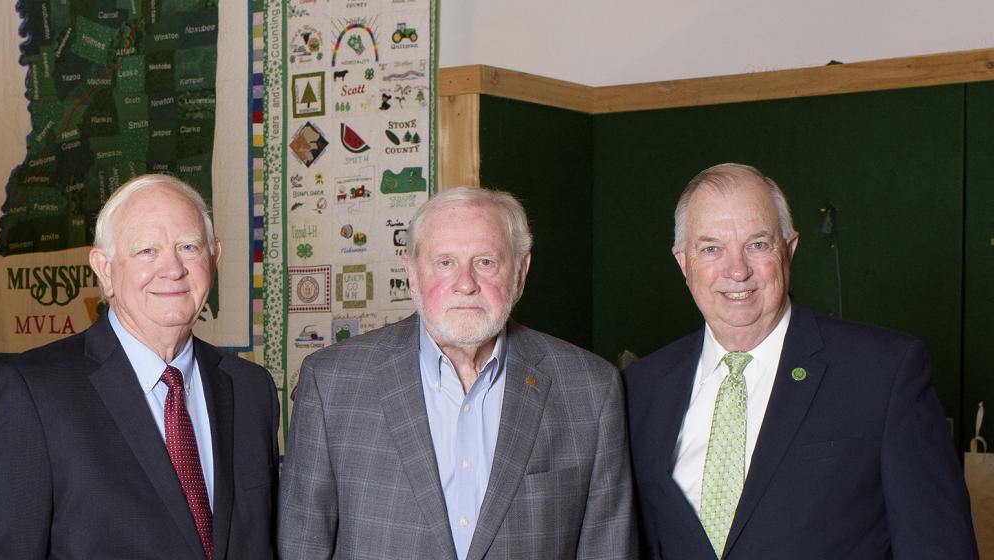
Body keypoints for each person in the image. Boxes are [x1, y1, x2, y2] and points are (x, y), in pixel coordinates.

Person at [624, 163, 978, 559]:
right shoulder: (640, 389)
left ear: (789, 249)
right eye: (711, 249)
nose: (737, 270)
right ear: (683, 261)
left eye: (757, 244)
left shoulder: (884, 374)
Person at [279, 187, 636, 559]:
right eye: (445, 262)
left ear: (520, 272)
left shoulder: (590, 390)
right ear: (412, 273)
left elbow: (607, 547)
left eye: (485, 262)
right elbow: (302, 545)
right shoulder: (332, 383)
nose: (465, 283)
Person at [0, 174, 279, 559]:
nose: (173, 268)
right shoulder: (34, 392)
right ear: (105, 269)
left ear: (214, 258)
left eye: (189, 247)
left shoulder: (251, 388)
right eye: (147, 250)